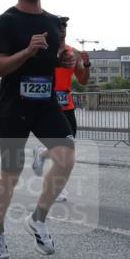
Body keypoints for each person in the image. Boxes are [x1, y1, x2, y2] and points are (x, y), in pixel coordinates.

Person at [0, 0, 76, 259]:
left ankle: (38, 219)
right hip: (13, 107)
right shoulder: (6, 22)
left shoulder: (52, 22)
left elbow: (52, 59)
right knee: (10, 174)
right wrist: (27, 51)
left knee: (66, 156)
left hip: (45, 104)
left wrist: (62, 61)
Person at [31, 16, 90, 201]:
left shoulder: (73, 52)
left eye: (64, 26)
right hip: (48, 105)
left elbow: (83, 80)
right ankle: (54, 188)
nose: (62, 29)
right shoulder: (44, 51)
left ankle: (41, 154)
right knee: (61, 150)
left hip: (67, 105)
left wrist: (87, 65)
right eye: (58, 26)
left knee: (68, 150)